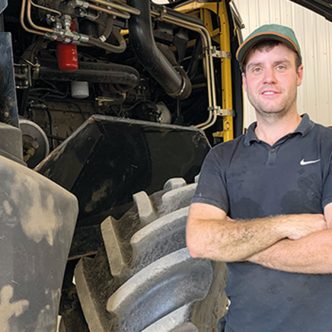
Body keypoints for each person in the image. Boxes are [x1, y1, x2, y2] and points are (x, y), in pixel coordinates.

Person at [186, 23, 332, 332]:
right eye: (256, 69)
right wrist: (288, 225)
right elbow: (199, 241)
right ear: (244, 81)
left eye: (280, 66)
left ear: (299, 74)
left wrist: (236, 243)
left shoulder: (328, 145)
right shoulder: (221, 158)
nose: (268, 78)